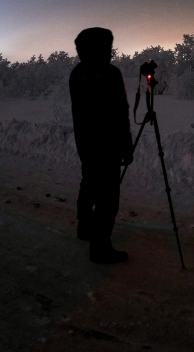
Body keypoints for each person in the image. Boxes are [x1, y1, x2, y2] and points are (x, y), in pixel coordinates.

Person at [69, 27, 134, 264]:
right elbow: (119, 114)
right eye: (107, 46)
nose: (110, 51)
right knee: (108, 196)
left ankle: (85, 227)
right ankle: (100, 247)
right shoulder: (109, 74)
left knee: (89, 184)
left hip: (85, 143)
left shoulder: (77, 72)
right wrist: (125, 146)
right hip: (107, 146)